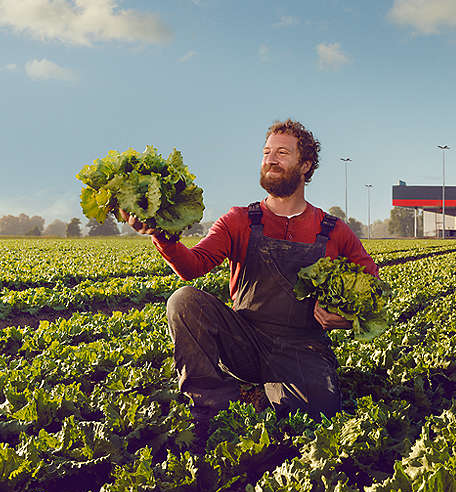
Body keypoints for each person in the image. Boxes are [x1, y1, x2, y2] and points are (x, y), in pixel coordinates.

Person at [122, 119, 378, 451]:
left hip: (302, 346)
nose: (270, 159)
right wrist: (161, 233)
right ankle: (208, 405)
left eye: (282, 153)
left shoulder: (333, 230)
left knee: (316, 418)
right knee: (183, 300)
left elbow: (371, 291)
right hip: (243, 341)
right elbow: (192, 267)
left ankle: (255, 395)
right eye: (266, 152)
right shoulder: (239, 219)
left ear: (305, 165)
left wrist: (345, 318)